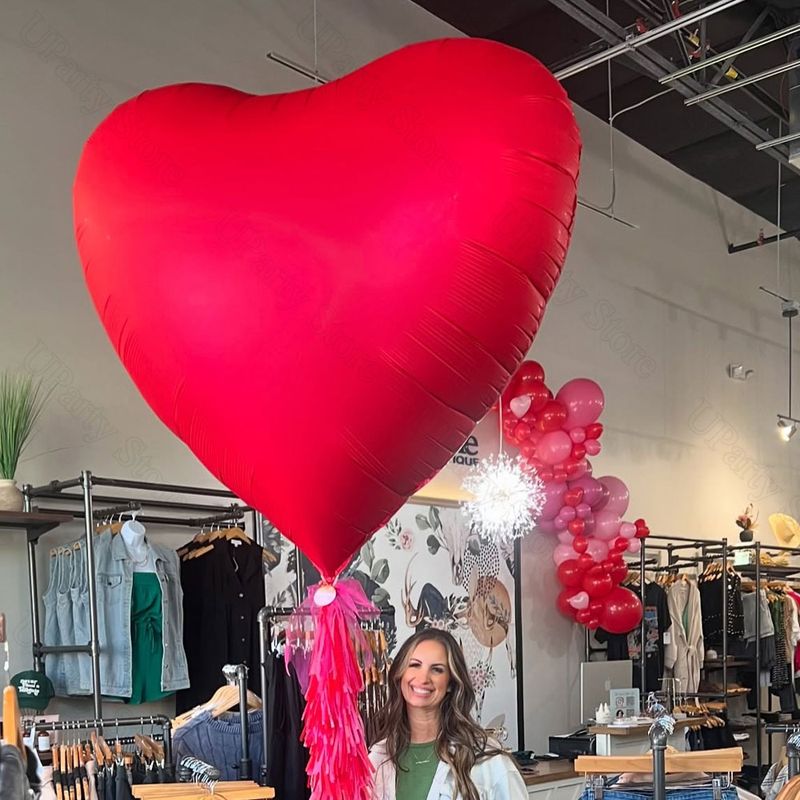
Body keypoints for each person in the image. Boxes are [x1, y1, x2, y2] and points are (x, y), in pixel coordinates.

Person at [369, 628, 527, 800]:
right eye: (414, 665)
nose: (423, 678)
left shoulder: (487, 760)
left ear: (451, 683)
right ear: (400, 674)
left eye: (437, 669)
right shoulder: (378, 758)